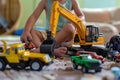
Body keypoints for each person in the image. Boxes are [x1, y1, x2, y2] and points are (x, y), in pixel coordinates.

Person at [20, 0, 85, 58]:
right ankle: (50, 50)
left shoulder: (72, 1)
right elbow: (34, 17)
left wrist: (76, 21)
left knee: (70, 28)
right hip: (49, 35)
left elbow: (81, 16)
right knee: (32, 31)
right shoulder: (45, 2)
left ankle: (43, 49)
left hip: (65, 38)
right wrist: (26, 31)